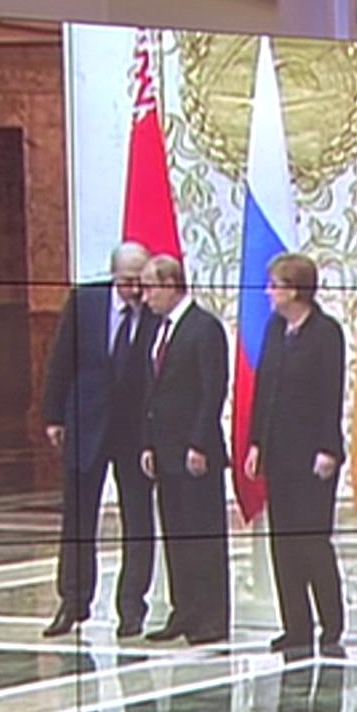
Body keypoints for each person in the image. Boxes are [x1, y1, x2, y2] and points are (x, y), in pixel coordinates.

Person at [39, 242, 161, 638]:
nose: (136, 290)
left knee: (137, 519)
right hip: (86, 423)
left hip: (134, 431)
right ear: (113, 276)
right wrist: (53, 415)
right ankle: (73, 601)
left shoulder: (155, 310)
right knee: (78, 518)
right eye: (128, 282)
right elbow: (62, 360)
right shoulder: (85, 302)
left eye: (141, 281)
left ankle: (132, 607)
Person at [243, 252, 347, 658]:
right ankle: (296, 625)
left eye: (275, 285)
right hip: (279, 453)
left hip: (313, 455)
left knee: (312, 540)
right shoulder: (275, 329)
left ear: (296, 289)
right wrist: (256, 443)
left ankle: (331, 623)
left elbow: (329, 393)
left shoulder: (325, 332)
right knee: (283, 542)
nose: (269, 292)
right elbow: (264, 390)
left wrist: (327, 449)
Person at [138, 254, 230, 646]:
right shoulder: (159, 330)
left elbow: (212, 390)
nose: (144, 297)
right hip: (164, 450)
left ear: (171, 284)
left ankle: (212, 616)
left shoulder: (204, 328)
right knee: (175, 533)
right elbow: (152, 392)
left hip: (196, 453)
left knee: (203, 534)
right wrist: (148, 443)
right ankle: (185, 610)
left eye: (150, 288)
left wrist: (199, 442)